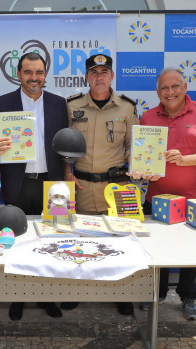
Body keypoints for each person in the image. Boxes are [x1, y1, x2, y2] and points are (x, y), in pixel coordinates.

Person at [132, 67, 196, 320]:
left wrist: (185, 160)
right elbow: (144, 157)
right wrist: (142, 170)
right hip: (157, 198)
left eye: (175, 87)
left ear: (185, 88)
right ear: (157, 92)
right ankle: (156, 294)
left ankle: (188, 296)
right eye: (164, 88)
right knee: (156, 249)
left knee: (190, 251)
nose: (169, 92)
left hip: (194, 200)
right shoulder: (149, 117)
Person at [0, 52, 68, 321]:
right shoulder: (3, 103)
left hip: (51, 185)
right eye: (28, 72)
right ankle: (17, 298)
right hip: (18, 185)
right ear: (18, 74)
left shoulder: (60, 103)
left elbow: (65, 148)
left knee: (50, 242)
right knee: (17, 243)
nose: (33, 78)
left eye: (38, 72)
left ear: (45, 75)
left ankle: (48, 298)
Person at [64, 53, 139, 316]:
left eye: (104, 72)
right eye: (94, 72)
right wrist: (66, 172)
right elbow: (63, 146)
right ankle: (78, 291)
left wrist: (138, 169)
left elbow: (134, 146)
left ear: (112, 76)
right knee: (80, 241)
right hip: (82, 186)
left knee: (119, 243)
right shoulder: (72, 106)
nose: (99, 77)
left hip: (116, 187)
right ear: (86, 77)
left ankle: (121, 293)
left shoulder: (127, 107)